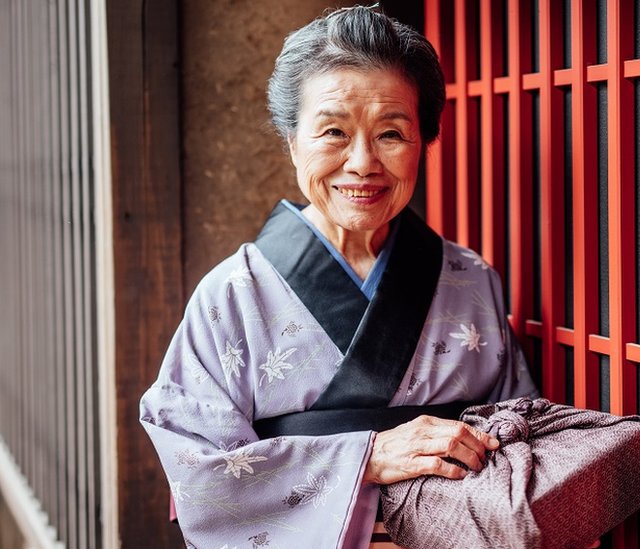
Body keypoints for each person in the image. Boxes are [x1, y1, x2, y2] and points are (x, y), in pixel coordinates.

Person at [140, 6, 538, 548]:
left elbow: (522, 435)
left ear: (424, 141)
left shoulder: (469, 279)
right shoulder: (232, 295)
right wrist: (367, 457)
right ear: (291, 140)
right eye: (333, 131)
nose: (362, 163)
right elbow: (202, 478)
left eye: (391, 134)